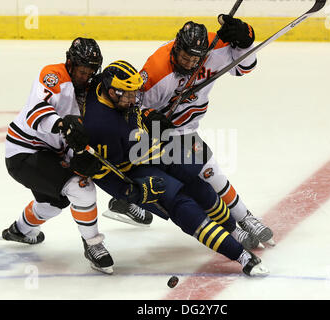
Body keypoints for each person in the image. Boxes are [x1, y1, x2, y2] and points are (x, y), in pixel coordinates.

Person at [77, 59, 269, 276]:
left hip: (151, 149)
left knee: (199, 186)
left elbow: (132, 109)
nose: (134, 98)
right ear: (112, 92)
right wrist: (130, 193)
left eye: (134, 92)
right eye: (129, 94)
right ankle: (241, 256)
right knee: (185, 209)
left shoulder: (102, 86)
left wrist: (147, 116)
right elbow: (100, 172)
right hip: (137, 171)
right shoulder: (100, 126)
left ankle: (234, 231)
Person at [107, 17, 275, 246]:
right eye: (185, 57)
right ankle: (242, 221)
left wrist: (246, 42)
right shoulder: (157, 69)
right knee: (206, 171)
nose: (189, 63)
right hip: (157, 132)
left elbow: (244, 67)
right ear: (176, 47)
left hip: (185, 128)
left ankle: (128, 201)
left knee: (196, 177)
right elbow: (130, 105)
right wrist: (148, 116)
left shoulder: (214, 49)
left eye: (195, 59)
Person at [1, 37, 114, 274]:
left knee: (53, 203)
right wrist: (61, 124)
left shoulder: (90, 92)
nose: (86, 76)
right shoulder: (53, 75)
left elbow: (80, 133)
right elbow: (36, 111)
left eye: (91, 71)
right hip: (24, 151)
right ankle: (93, 245)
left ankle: (18, 230)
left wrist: (80, 153)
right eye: (82, 70)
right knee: (80, 187)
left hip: (51, 152)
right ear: (70, 64)